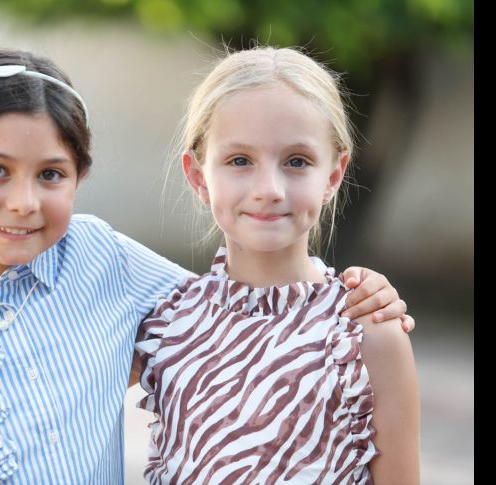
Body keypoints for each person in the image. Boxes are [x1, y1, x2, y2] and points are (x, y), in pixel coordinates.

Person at [0, 48, 412, 484]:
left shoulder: (104, 261)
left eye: (50, 175)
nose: (23, 201)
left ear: (78, 177)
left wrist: (362, 292)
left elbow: (241, 312)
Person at [133, 46, 419, 484]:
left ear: (333, 175)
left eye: (296, 161)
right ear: (197, 176)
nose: (269, 189)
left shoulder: (368, 332)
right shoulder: (164, 327)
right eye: (240, 161)